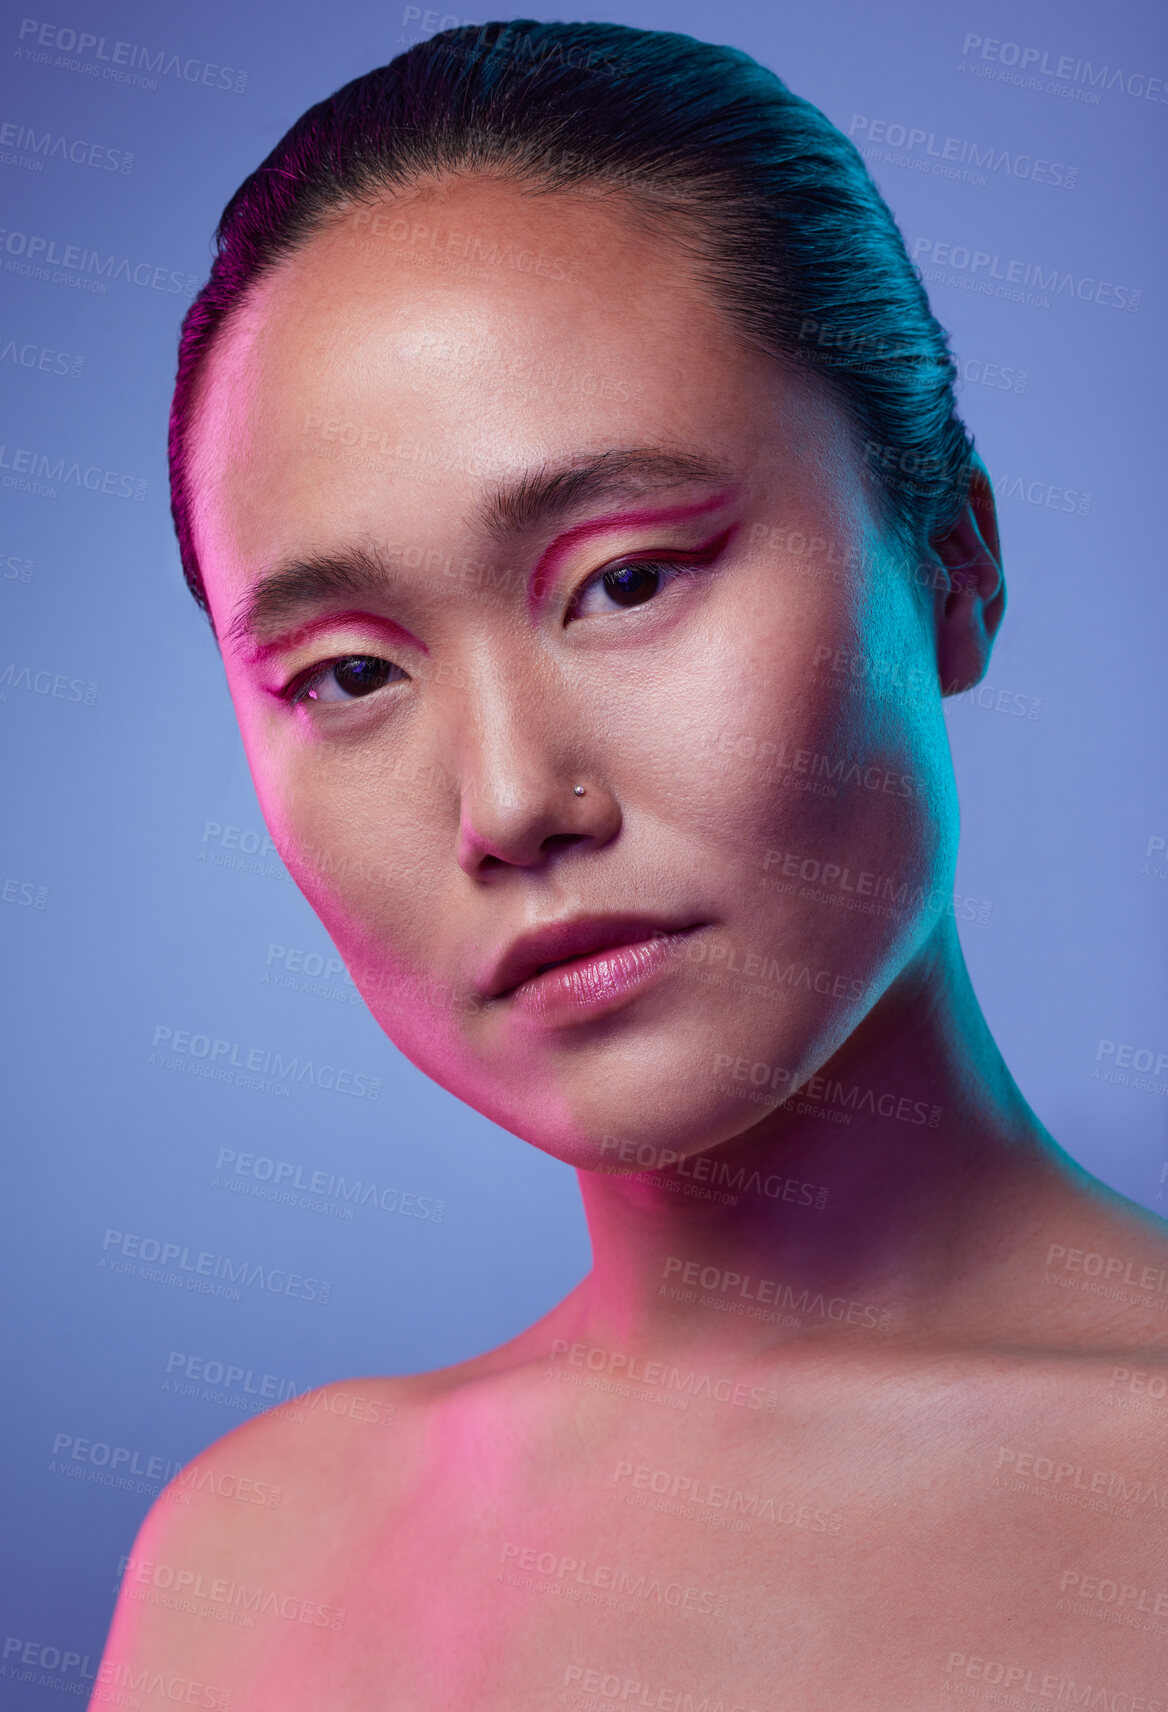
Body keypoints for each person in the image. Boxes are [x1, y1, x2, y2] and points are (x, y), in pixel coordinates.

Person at [96, 19, 1168, 1708]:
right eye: (351, 677)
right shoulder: (243, 1558)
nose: (513, 799)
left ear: (951, 560)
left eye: (628, 580)